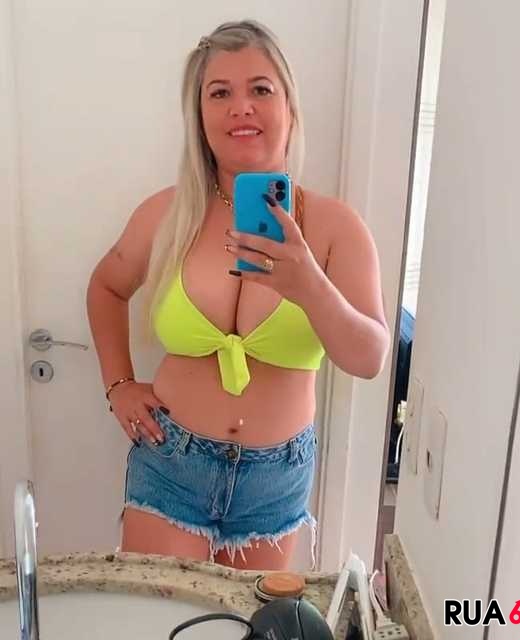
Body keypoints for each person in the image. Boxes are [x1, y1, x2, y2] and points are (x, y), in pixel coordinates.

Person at [86, 19, 390, 571]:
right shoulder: (166, 215)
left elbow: (369, 358)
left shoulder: (335, 228)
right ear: (199, 116)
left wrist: (309, 285)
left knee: (247, 617)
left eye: (260, 89)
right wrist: (120, 386)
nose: (240, 107)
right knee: (160, 613)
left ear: (290, 107)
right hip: (172, 462)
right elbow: (106, 286)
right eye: (220, 93)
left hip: (275, 478)